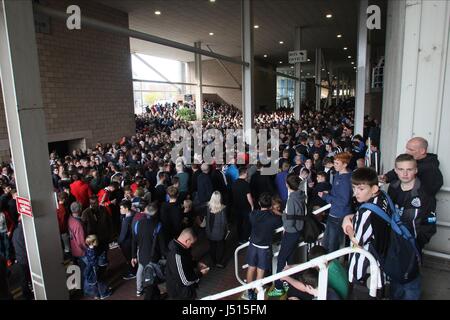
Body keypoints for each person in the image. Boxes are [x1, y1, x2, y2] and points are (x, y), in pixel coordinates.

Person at [387, 154, 437, 300]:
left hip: (412, 246)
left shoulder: (425, 194)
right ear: (395, 170)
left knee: (411, 283)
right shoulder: (393, 187)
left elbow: (429, 224)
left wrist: (417, 244)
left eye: (409, 169)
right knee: (395, 279)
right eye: (401, 169)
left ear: (416, 170)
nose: (405, 173)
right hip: (394, 244)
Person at [342, 167, 391, 299]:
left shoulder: (366, 212)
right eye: (354, 188)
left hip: (365, 271)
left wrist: (347, 225)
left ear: (374, 189)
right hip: (380, 265)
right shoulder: (383, 197)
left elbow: (357, 242)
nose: (356, 193)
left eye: (361, 189)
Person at [268, 174, 306, 297]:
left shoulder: (291, 200)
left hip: (291, 233)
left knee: (281, 259)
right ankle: (289, 281)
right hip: (298, 230)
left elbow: (289, 221)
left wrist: (284, 217)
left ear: (287, 185)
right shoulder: (300, 195)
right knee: (290, 258)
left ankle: (279, 286)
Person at [246, 193, 282, 300]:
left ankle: (250, 292)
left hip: (252, 245)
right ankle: (257, 294)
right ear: (271, 205)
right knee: (260, 271)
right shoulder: (274, 219)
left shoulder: (253, 214)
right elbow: (282, 220)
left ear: (258, 203)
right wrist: (276, 212)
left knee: (251, 268)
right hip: (264, 248)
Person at [319, 152, 353, 253]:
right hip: (334, 213)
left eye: (337, 163)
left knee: (332, 245)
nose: (334, 165)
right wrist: (329, 192)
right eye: (334, 162)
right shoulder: (338, 174)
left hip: (339, 215)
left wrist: (326, 197)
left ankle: (332, 267)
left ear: (345, 165)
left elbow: (343, 201)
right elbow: (337, 192)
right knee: (325, 243)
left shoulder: (345, 180)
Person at [131, 202, 165, 297]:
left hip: (142, 255)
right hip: (154, 257)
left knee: (143, 273)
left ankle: (144, 290)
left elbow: (134, 241)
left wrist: (133, 256)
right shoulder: (158, 225)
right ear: (156, 213)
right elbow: (162, 246)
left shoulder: (138, 224)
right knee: (151, 279)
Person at [165, 228, 209, 300]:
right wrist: (201, 274)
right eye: (191, 243)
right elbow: (185, 281)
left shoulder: (181, 248)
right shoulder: (177, 255)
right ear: (187, 240)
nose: (192, 246)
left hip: (184, 291)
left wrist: (196, 264)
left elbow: (186, 262)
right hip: (181, 294)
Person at [81, 235, 112, 299]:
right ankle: (104, 293)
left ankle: (97, 295)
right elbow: (93, 261)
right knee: (100, 279)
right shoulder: (93, 250)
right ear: (94, 242)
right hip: (95, 268)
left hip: (92, 268)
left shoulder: (88, 249)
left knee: (94, 283)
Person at [231, 167, 254, 244]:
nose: (247, 174)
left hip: (237, 207)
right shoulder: (245, 184)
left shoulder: (234, 183)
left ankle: (240, 239)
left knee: (239, 223)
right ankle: (246, 238)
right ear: (244, 174)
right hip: (245, 207)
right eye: (246, 173)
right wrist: (252, 206)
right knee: (247, 223)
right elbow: (249, 197)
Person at [205, 191, 228, 268]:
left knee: (212, 246)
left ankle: (213, 261)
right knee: (221, 246)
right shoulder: (223, 208)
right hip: (219, 232)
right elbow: (224, 222)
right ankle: (219, 261)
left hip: (209, 231)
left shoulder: (208, 206)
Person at [118, 200, 136, 280]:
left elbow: (123, 235)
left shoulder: (126, 220)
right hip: (133, 240)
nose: (120, 210)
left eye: (121, 208)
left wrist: (119, 242)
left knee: (129, 258)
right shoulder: (134, 214)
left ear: (127, 208)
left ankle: (133, 272)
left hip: (127, 243)